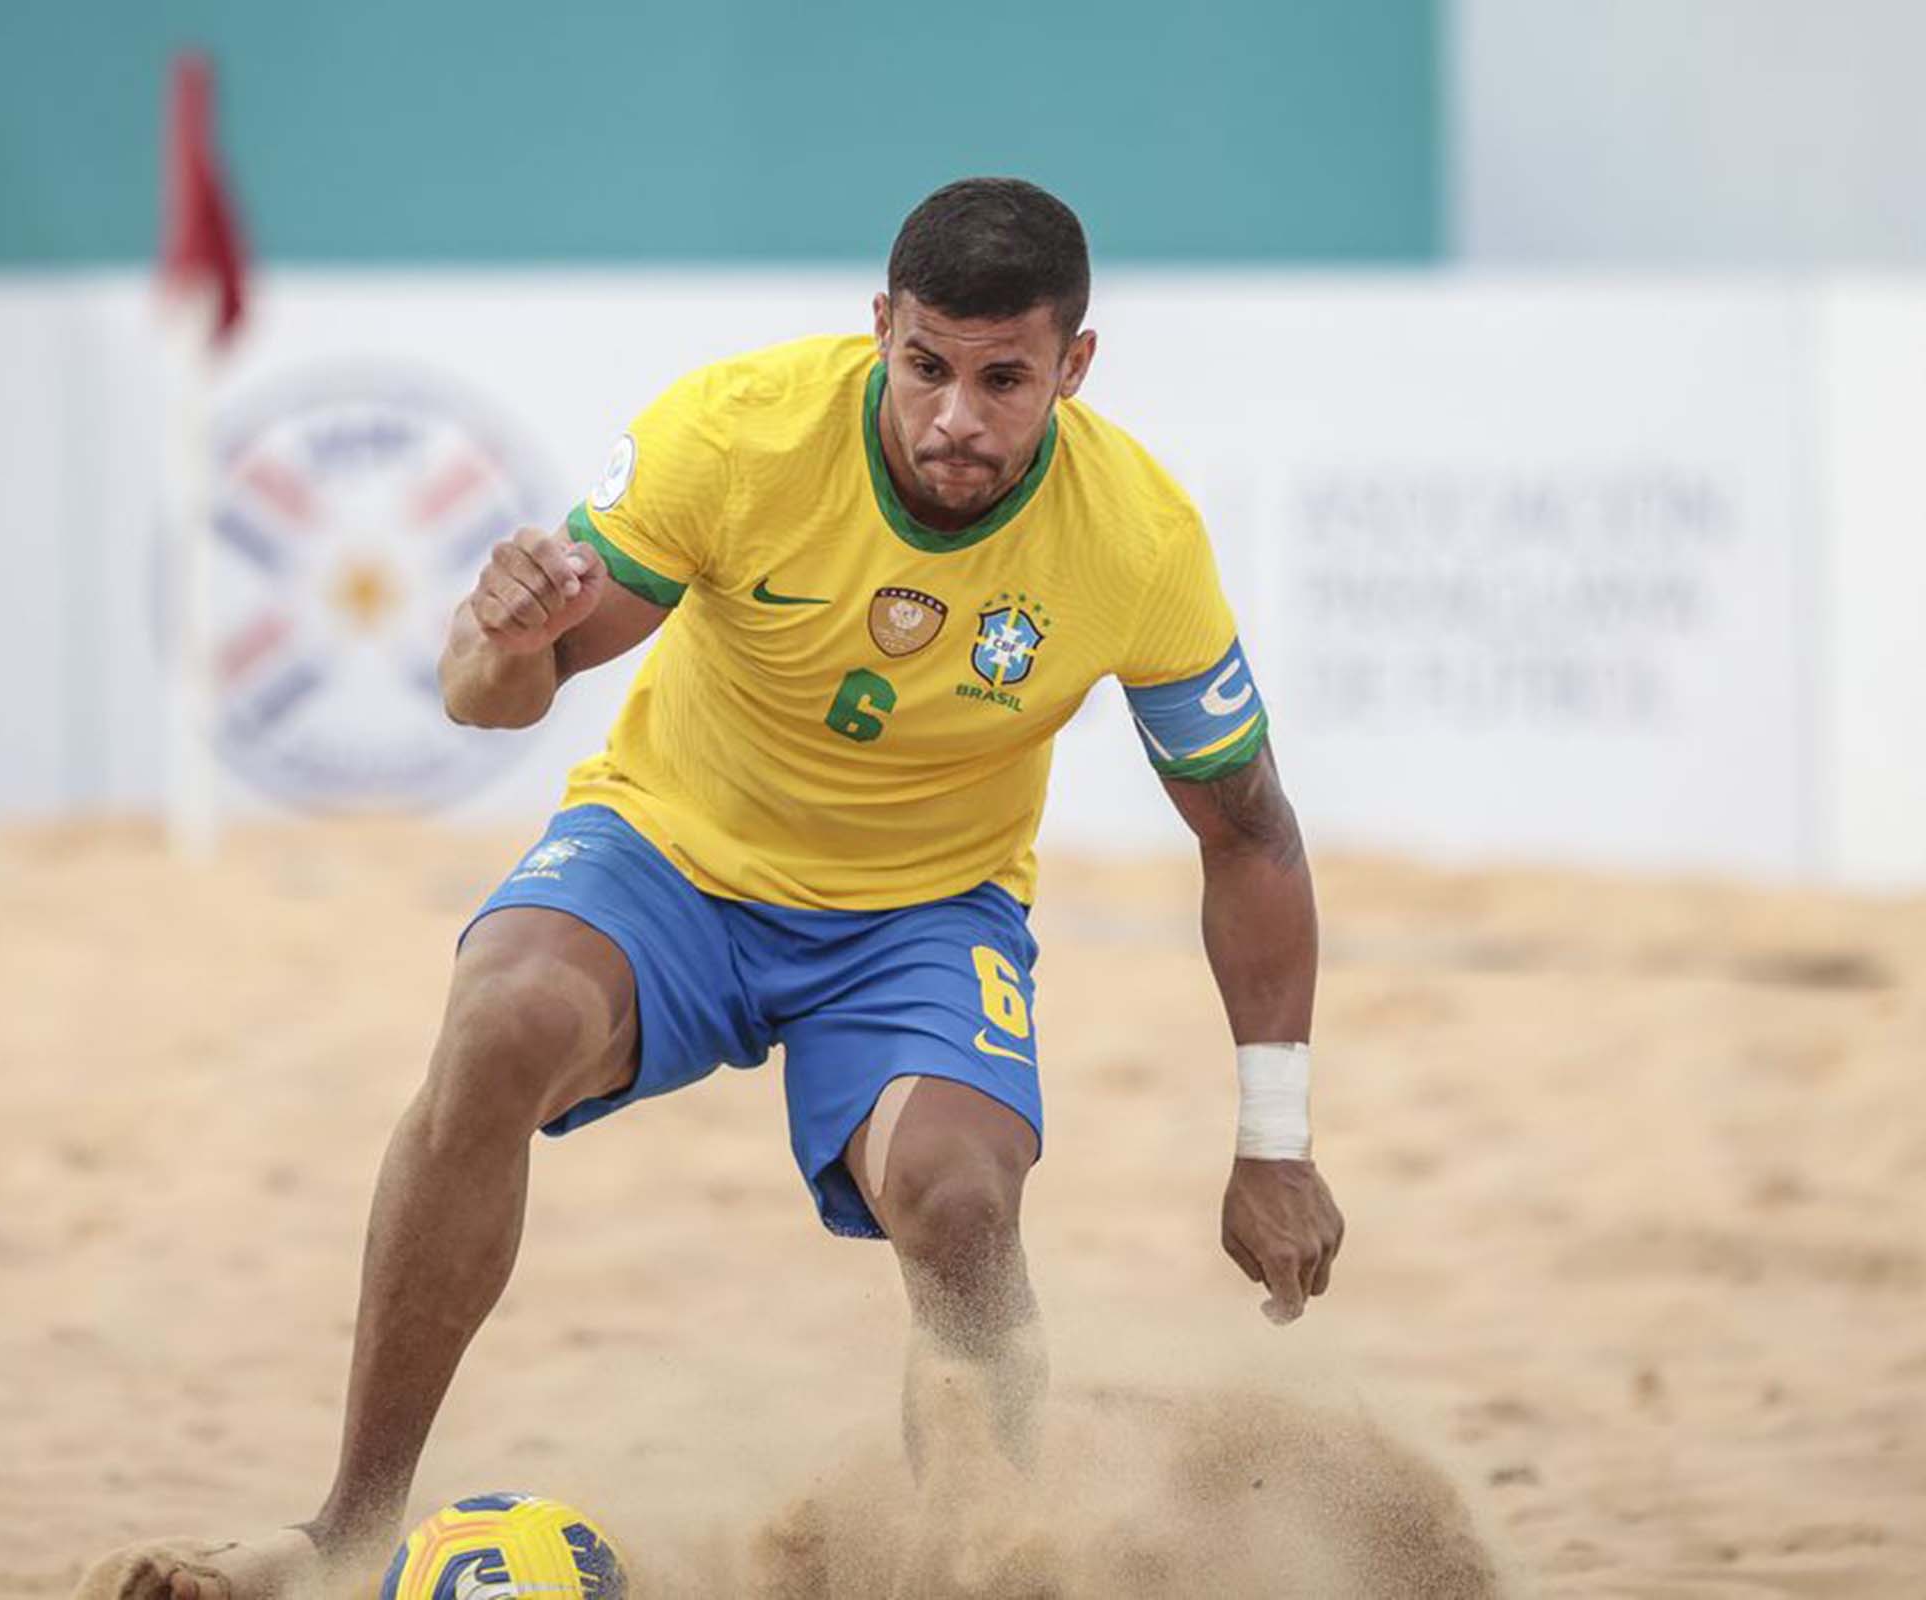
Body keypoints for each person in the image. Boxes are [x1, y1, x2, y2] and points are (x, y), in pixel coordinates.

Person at [84, 176, 1343, 1600]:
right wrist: (497, 634)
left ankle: (983, 1564)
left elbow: (1250, 833)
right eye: (926, 363)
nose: (953, 418)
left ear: (1076, 366)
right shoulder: (738, 434)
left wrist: (1276, 1138)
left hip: (918, 916)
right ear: (880, 327)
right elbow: (489, 695)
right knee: (498, 1025)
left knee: (960, 1203)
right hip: (673, 855)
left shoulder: (1139, 539)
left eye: (1005, 380)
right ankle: (350, 1532)